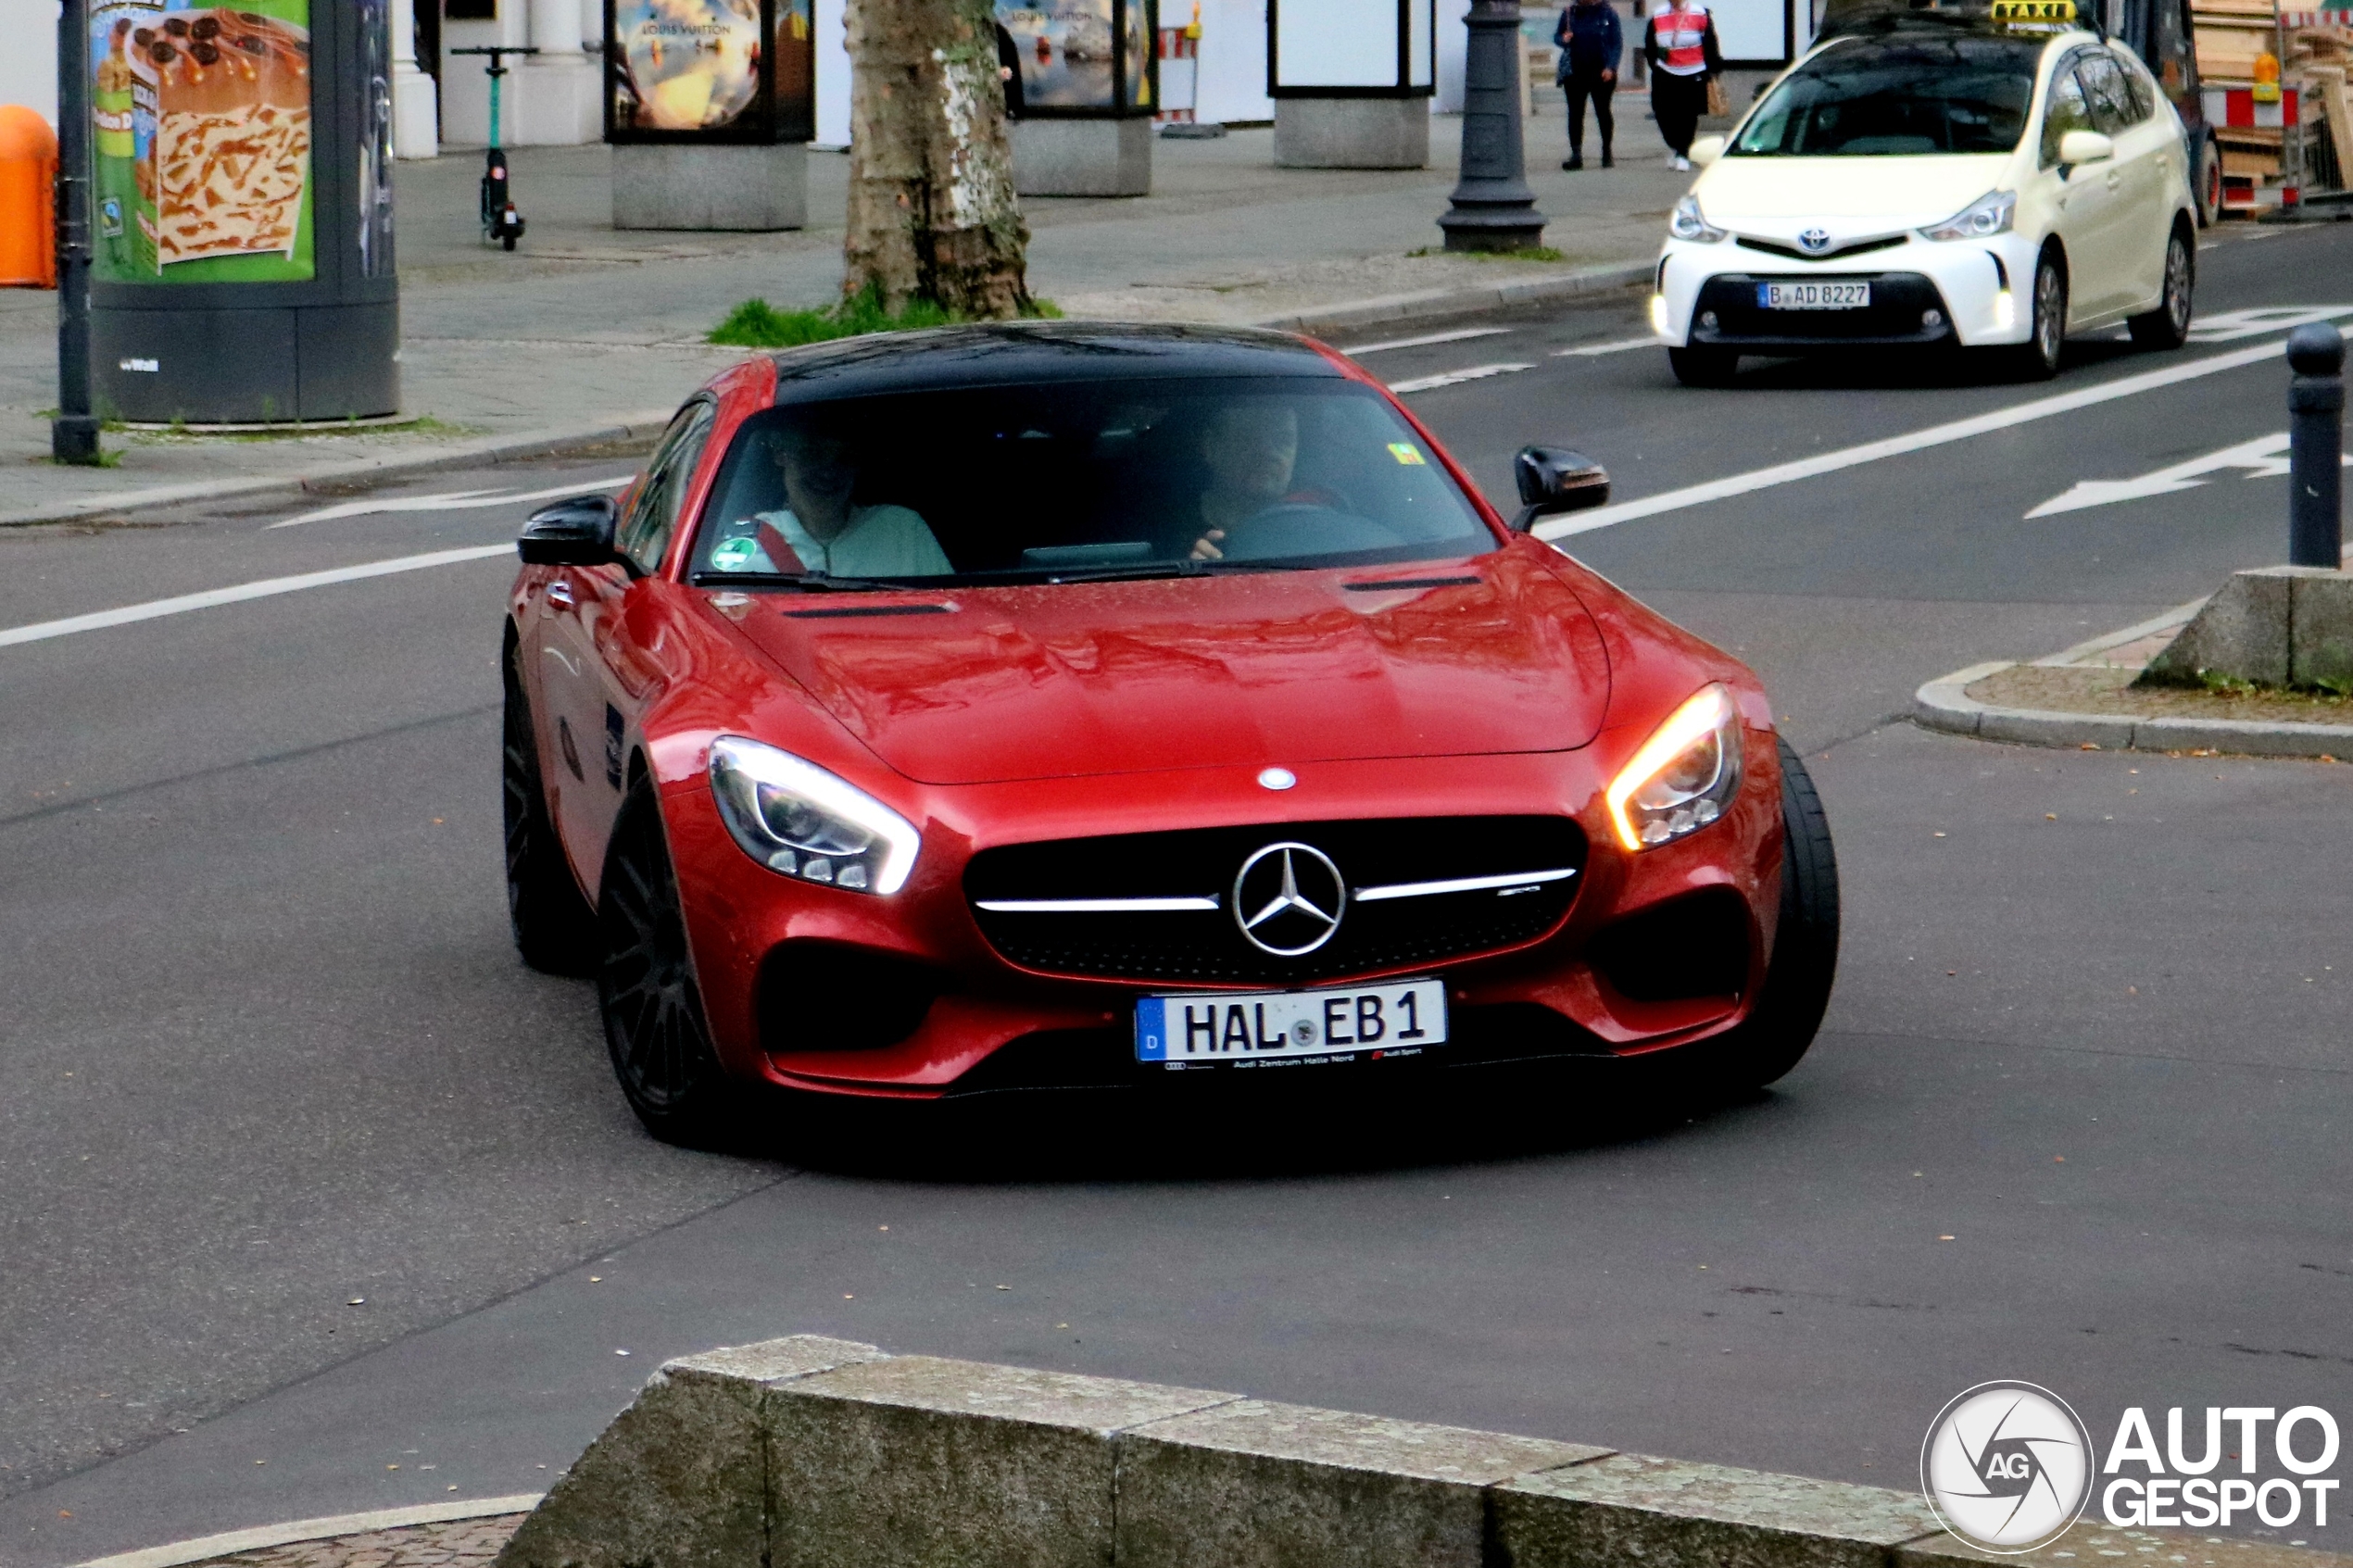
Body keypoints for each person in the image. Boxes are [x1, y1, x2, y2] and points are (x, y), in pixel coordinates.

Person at [708, 424, 952, 578]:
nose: (828, 471)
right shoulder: (741, 545)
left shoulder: (902, 529)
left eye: (844, 458)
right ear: (781, 455)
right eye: (812, 454)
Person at [1644, 0, 1722, 171]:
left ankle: (1683, 153)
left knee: (1687, 115)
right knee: (1662, 112)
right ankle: (1674, 145)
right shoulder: (1658, 15)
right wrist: (1655, 66)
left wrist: (1713, 69)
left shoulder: (1699, 13)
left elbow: (1710, 41)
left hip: (1693, 72)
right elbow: (1650, 44)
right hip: (1666, 72)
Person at [1554, 0, 1623, 170]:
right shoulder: (1570, 13)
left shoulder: (1608, 14)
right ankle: (1576, 154)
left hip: (1601, 72)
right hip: (1575, 71)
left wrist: (1611, 66)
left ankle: (1607, 151)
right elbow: (1558, 35)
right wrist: (1563, 39)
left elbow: (1616, 43)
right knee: (1575, 113)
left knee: (1603, 111)